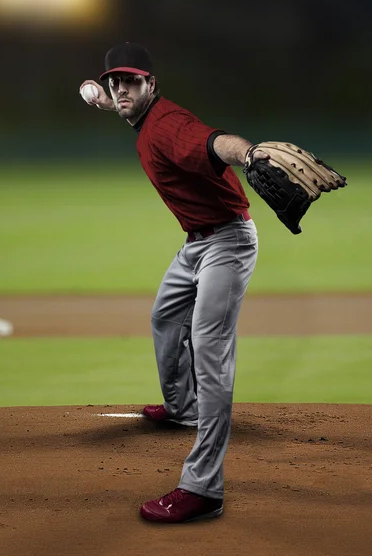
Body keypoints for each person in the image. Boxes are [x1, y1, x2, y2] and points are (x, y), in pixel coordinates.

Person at [80, 42, 268, 524]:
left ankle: (203, 488)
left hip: (227, 242)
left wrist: (248, 153)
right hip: (195, 245)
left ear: (153, 85)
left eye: (131, 82)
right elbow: (109, 98)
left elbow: (211, 142)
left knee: (209, 347)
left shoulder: (167, 125)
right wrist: (93, 93)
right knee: (165, 318)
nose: (120, 89)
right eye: (114, 82)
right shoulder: (136, 112)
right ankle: (182, 407)